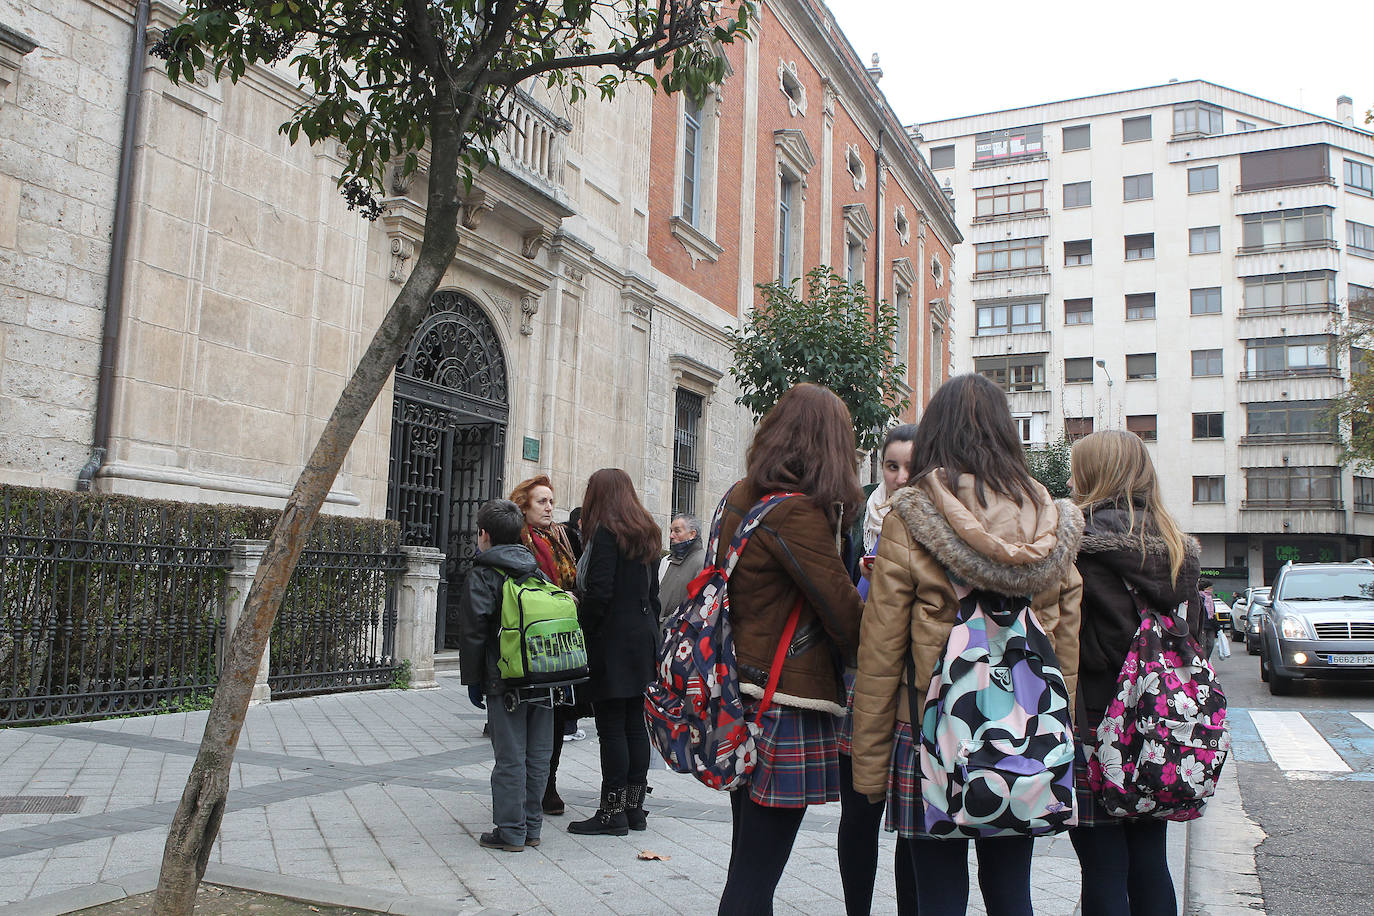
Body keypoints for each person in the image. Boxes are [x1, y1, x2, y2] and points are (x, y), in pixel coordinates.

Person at [851, 373, 1083, 916]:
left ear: (936, 433)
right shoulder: (1049, 518)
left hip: (927, 731)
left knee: (935, 898)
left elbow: (881, 650)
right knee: (1011, 893)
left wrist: (869, 765)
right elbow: (1063, 643)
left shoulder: (909, 516)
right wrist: (1055, 729)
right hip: (1024, 734)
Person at [715, 383, 865, 916]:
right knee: (755, 875)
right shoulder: (797, 514)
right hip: (784, 701)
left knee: (747, 861)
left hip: (742, 694)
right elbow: (846, 617)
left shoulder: (739, 496)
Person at [1069, 429, 1203, 916]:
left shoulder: (1080, 545)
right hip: (1162, 727)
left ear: (1091, 475)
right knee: (1150, 859)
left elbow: (1090, 648)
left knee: (1103, 864)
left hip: (1097, 722)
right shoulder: (1176, 546)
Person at [836, 424, 919, 916]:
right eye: (892, 466)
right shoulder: (857, 524)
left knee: (913, 821)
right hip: (861, 684)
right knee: (859, 814)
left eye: (911, 467)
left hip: (912, 688)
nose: (900, 478)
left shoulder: (937, 528)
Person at [456, 499, 555, 852]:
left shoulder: (484, 574)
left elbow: (473, 633)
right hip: (543, 676)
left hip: (505, 678)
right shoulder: (535, 570)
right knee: (538, 754)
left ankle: (510, 831)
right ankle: (532, 827)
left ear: (484, 535)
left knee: (510, 755)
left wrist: (473, 680)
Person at [568, 468, 663, 836]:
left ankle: (612, 813)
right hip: (641, 637)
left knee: (611, 728)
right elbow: (652, 595)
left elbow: (601, 592)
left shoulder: (607, 532)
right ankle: (634, 808)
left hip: (613, 640)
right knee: (634, 724)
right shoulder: (648, 533)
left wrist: (585, 625)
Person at [508, 474, 579, 816]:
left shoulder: (560, 537)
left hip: (560, 637)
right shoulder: (520, 541)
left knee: (557, 714)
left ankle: (547, 783)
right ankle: (529, 786)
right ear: (524, 506)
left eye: (551, 501)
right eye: (542, 501)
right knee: (532, 715)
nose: (550, 507)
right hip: (532, 637)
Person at [658, 513, 706, 628]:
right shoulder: (670, 559)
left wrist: (667, 624)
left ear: (692, 534)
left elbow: (696, 607)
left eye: (677, 531)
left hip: (677, 635)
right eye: (671, 531)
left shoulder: (702, 562)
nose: (671, 536)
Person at [1198, 578, 1220, 659]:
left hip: (1210, 626)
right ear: (1204, 588)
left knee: (1210, 645)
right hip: (1201, 626)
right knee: (1203, 646)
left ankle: (1206, 660)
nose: (1211, 590)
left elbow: (1212, 614)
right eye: (1209, 588)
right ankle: (1204, 663)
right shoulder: (1198, 598)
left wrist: (1218, 627)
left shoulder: (1210, 600)